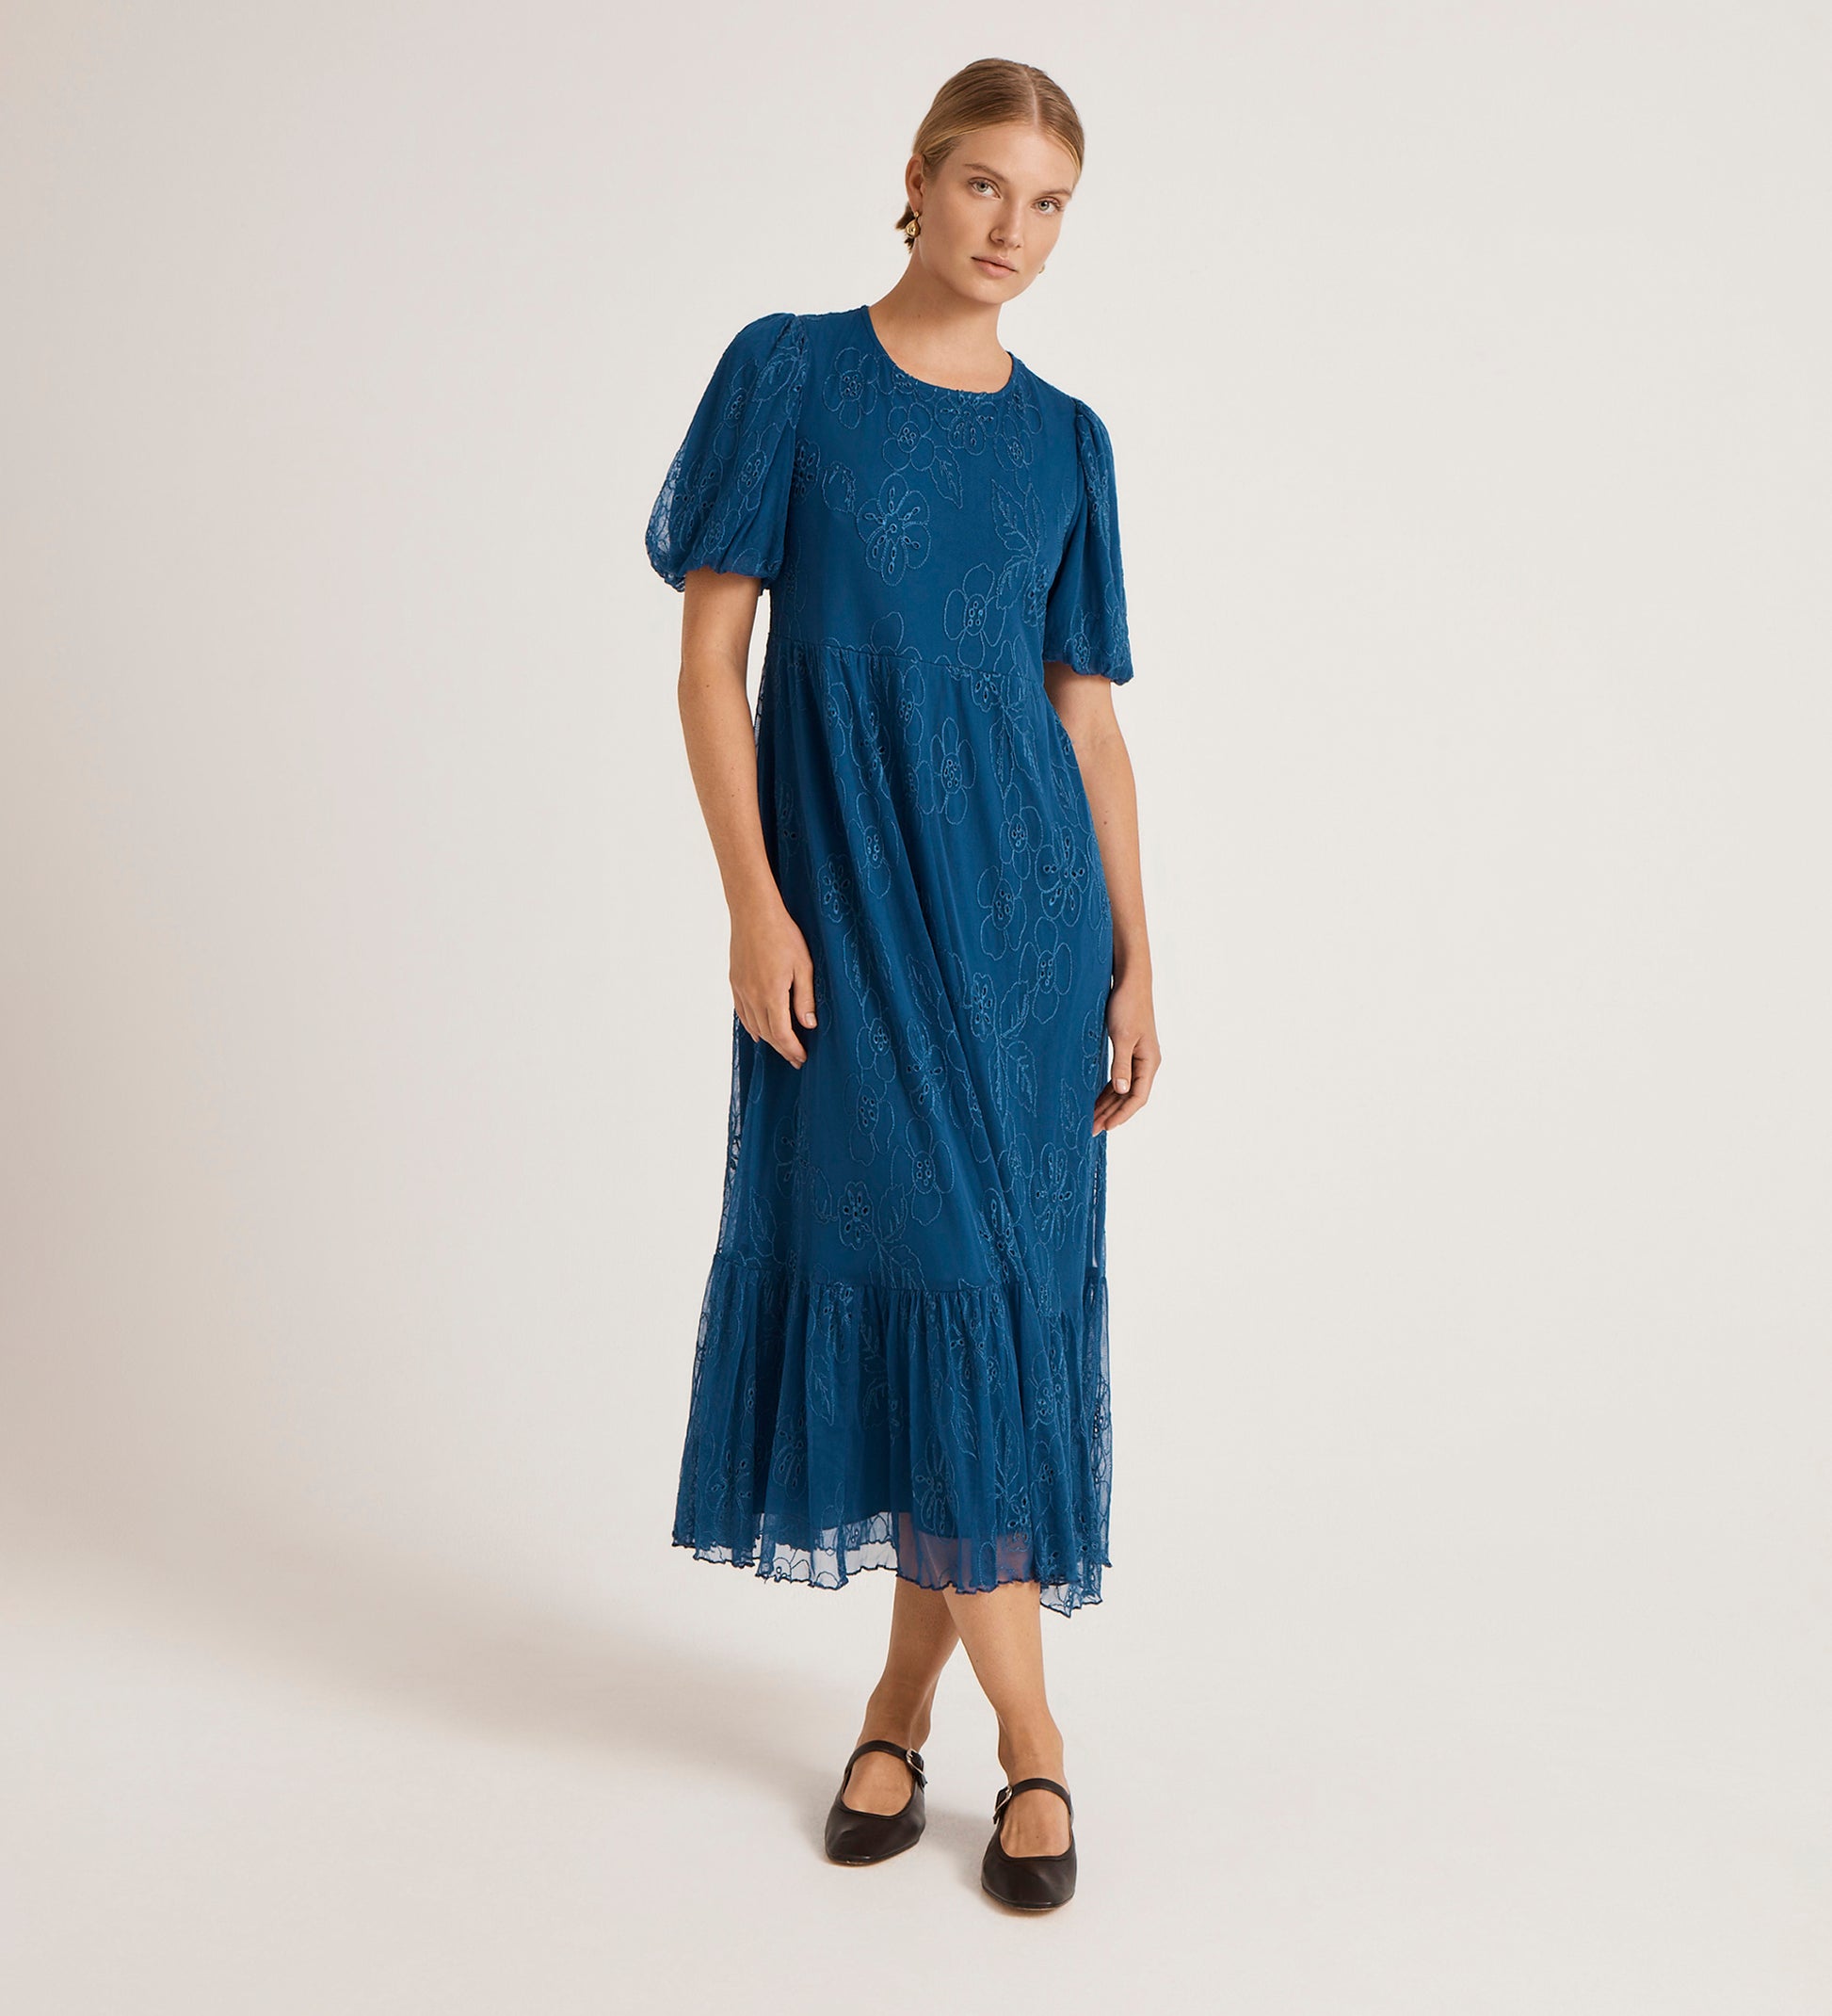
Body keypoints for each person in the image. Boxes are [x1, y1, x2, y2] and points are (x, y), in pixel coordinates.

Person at [644, 57, 1160, 1911]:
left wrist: (1137, 956)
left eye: (1046, 205)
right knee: (938, 1292)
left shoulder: (1067, 440)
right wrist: (751, 905)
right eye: (983, 188)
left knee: (990, 1313)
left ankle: (898, 1705)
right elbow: (714, 664)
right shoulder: (788, 373)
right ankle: (1037, 1750)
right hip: (845, 929)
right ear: (916, 183)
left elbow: (1082, 725)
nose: (1009, 233)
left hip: (1028, 948)